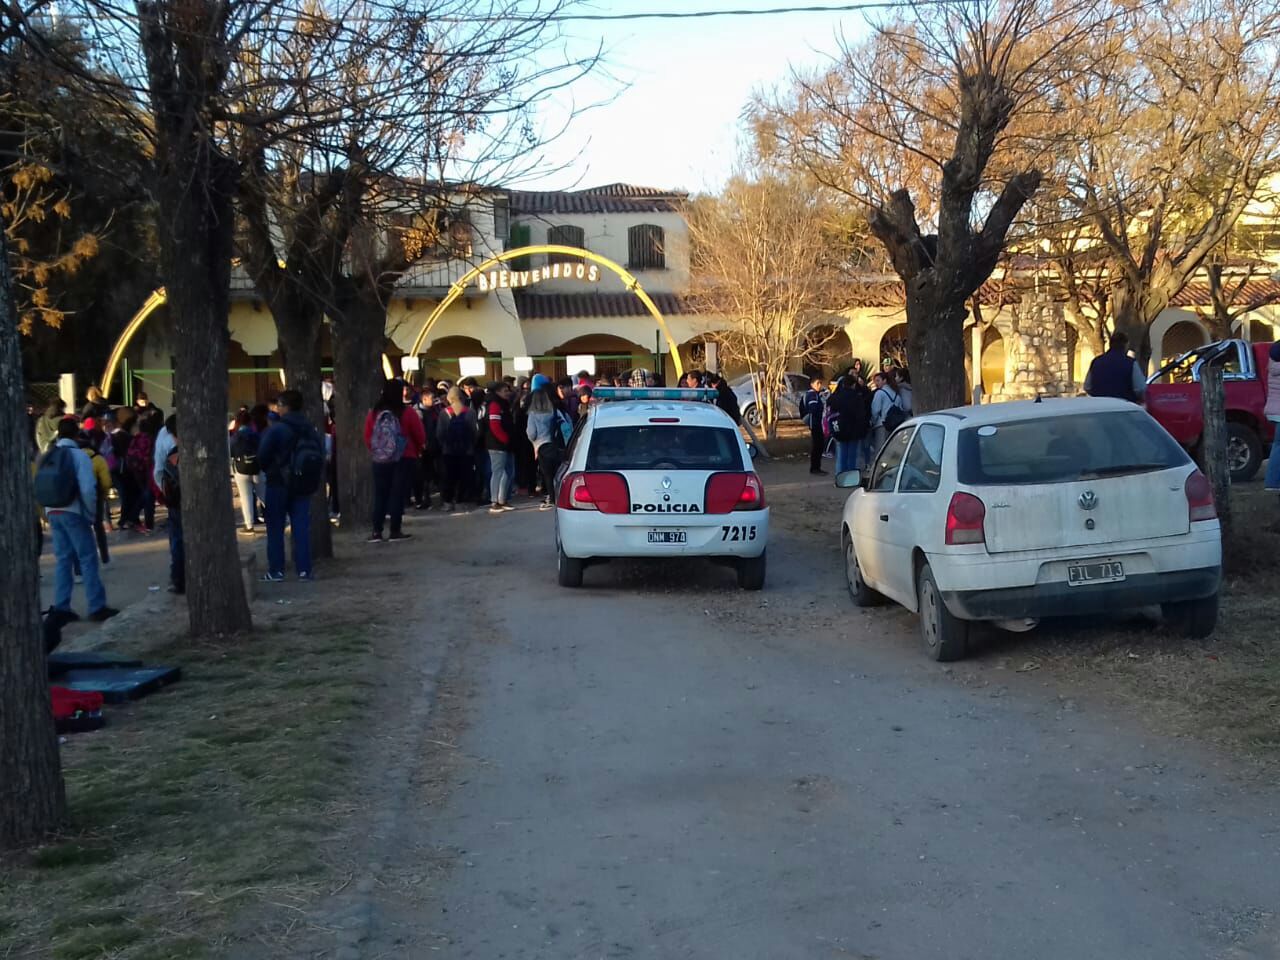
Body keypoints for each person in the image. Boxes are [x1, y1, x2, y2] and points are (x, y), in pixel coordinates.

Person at [40, 418, 117, 621]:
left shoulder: (48, 455)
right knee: (88, 558)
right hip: (74, 512)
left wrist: (45, 513)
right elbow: (87, 489)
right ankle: (96, 605)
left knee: (63, 560)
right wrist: (91, 514)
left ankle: (61, 607)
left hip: (52, 511)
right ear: (77, 435)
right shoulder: (79, 456)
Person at [256, 390, 322, 580]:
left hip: (278, 482)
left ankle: (276, 569)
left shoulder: (277, 429)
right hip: (303, 483)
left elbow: (263, 455)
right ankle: (304, 569)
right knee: (301, 526)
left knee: (275, 527)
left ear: (284, 406)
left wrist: (271, 468)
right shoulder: (310, 428)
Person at [364, 379, 425, 542]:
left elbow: (368, 436)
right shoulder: (408, 412)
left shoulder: (374, 413)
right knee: (397, 494)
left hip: (380, 459)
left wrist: (378, 451)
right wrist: (418, 449)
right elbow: (420, 435)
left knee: (380, 494)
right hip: (404, 456)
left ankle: (377, 531)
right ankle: (395, 530)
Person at [527, 379, 569, 510]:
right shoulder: (553, 412)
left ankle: (551, 498)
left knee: (547, 475)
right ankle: (559, 495)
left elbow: (531, 433)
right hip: (554, 444)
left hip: (541, 446)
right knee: (557, 472)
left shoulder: (533, 415)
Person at [155, 416, 185, 594]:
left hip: (176, 502)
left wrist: (166, 494)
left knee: (177, 541)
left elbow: (159, 473)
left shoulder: (170, 452)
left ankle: (178, 579)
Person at [437, 386, 477, 512]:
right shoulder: (470, 412)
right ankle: (461, 501)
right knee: (464, 476)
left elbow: (439, 433)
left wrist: (444, 445)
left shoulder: (444, 412)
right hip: (467, 450)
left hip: (449, 451)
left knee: (449, 477)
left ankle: (448, 502)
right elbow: (474, 432)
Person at [230, 405, 268, 533]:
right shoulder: (256, 435)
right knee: (264, 496)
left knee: (245, 498)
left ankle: (249, 525)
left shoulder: (235, 437)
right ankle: (274, 518)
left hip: (240, 469)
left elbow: (231, 452)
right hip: (257, 467)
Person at [484, 380, 517, 514]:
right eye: (505, 391)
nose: (508, 393)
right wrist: (505, 439)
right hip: (497, 445)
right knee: (498, 472)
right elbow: (494, 425)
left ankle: (502, 499)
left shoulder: (504, 404)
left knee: (508, 472)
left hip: (505, 444)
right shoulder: (494, 405)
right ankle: (494, 501)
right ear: (497, 392)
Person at [1084, 330, 1146, 402]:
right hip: (1123, 407)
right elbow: (1140, 388)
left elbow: (1087, 387)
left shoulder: (1096, 362)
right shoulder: (1131, 363)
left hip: (1100, 407)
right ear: (1125, 345)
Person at [827, 376, 870, 474]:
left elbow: (829, 412)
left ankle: (840, 476)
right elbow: (861, 415)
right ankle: (851, 477)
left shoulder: (835, 397)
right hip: (854, 431)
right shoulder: (857, 397)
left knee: (841, 455)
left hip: (839, 429)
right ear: (854, 385)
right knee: (853, 456)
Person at [126, 412, 159, 534]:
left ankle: (134, 517)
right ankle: (147, 523)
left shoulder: (136, 438)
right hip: (147, 469)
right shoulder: (151, 439)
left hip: (136, 470)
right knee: (148, 496)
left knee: (145, 494)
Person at [414, 388, 442, 509]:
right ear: (424, 399)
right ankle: (422, 499)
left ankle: (431, 498)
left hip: (434, 446)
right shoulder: (417, 412)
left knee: (434, 473)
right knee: (422, 475)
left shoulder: (434, 410)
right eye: (432, 398)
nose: (434, 400)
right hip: (422, 448)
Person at [870, 370, 908, 454]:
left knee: (881, 450)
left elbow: (875, 410)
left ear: (884, 380)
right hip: (895, 424)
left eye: (878, 380)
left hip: (882, 424)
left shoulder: (879, 393)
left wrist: (872, 421)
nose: (876, 383)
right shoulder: (896, 393)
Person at [1264, 340, 1280, 493]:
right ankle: (1273, 482)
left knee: (1277, 446)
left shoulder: (1273, 366)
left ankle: (1272, 481)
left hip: (1274, 411)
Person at [803, 375, 826, 475]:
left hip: (817, 422)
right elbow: (813, 408)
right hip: (815, 423)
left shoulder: (816, 394)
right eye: (817, 383)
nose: (819, 385)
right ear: (812, 384)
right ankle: (815, 468)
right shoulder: (812, 395)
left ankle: (817, 467)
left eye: (820, 383)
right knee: (817, 446)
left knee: (819, 446)